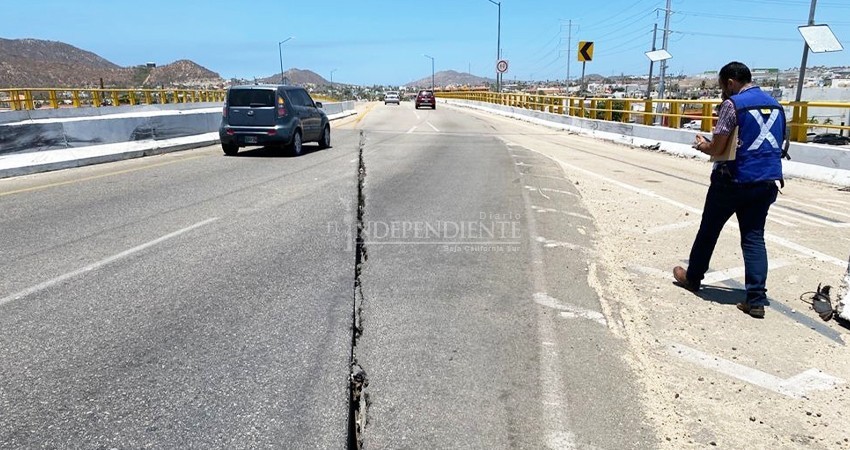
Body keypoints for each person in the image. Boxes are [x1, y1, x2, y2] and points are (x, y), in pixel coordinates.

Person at [673, 61, 785, 319]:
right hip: (766, 181)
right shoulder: (776, 105)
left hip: (732, 181)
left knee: (709, 230)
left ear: (731, 82)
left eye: (723, 86)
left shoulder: (732, 105)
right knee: (754, 238)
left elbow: (717, 147)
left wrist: (702, 145)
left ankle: (693, 278)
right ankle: (756, 299)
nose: (723, 91)